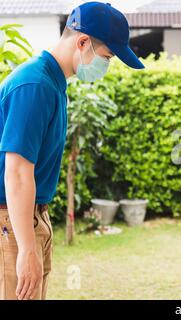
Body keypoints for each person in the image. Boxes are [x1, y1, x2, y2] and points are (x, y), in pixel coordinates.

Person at [0, 2, 144, 300]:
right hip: (11, 222)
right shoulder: (34, 85)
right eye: (107, 57)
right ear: (82, 42)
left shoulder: (53, 83)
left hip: (31, 217)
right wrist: (26, 247)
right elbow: (16, 172)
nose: (107, 65)